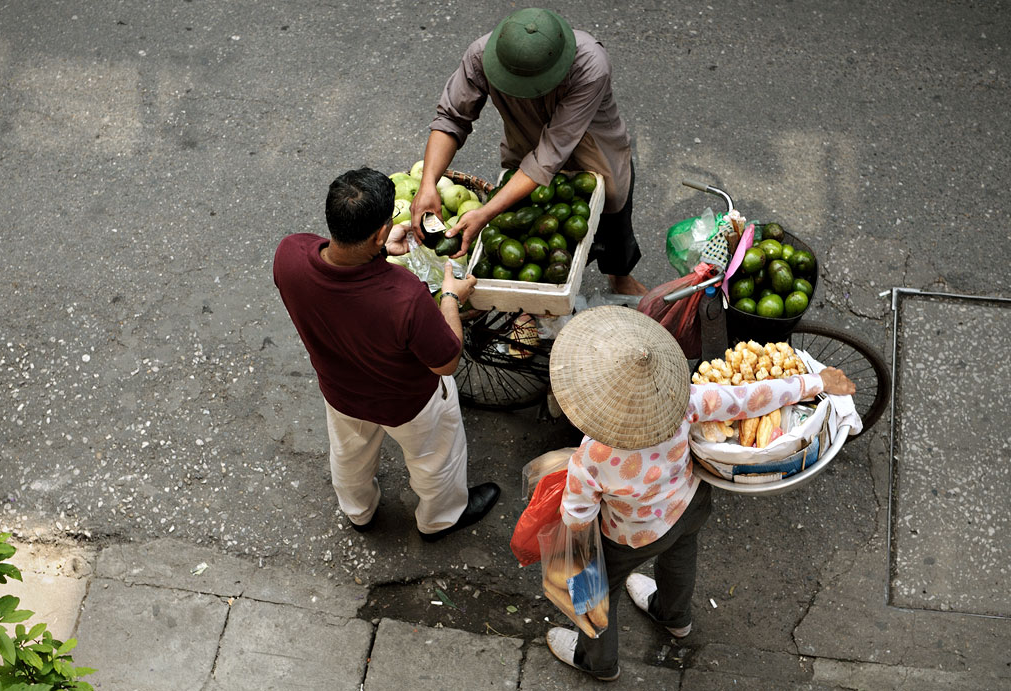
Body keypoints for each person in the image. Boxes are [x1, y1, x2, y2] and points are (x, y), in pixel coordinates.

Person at [543, 306, 856, 682]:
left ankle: (599, 661)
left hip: (631, 536)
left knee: (593, 586)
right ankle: (674, 618)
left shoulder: (590, 457)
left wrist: (577, 559)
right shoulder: (684, 399)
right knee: (679, 555)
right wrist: (815, 383)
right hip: (689, 507)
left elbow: (577, 520)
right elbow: (746, 398)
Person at [272, 167, 500, 542]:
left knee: (349, 455)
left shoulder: (289, 255)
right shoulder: (404, 295)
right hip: (409, 403)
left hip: (341, 393)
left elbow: (340, 282)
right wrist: (449, 298)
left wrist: (376, 249)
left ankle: (358, 511)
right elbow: (445, 362)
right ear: (380, 232)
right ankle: (439, 519)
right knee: (434, 459)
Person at [411, 7, 646, 296]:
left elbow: (549, 155)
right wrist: (427, 184)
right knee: (530, 227)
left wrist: (484, 213)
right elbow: (451, 119)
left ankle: (618, 275)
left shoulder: (590, 65)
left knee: (614, 218)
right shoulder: (481, 55)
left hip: (595, 150)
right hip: (526, 148)